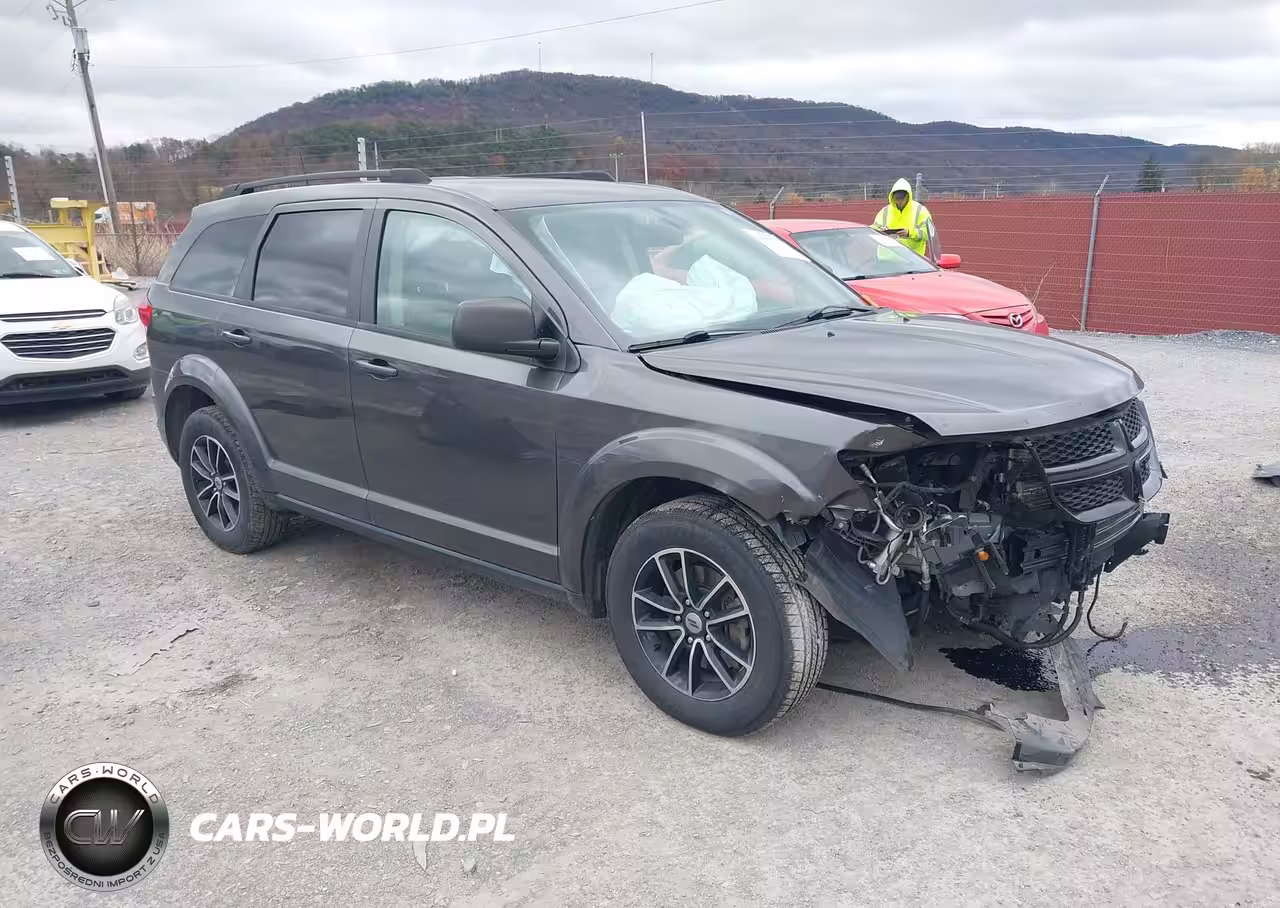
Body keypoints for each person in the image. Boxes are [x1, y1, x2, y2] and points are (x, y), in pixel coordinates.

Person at [872, 177, 938, 259]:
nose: (898, 201)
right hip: (887, 260)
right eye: (896, 198)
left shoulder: (920, 211)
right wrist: (881, 231)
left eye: (901, 199)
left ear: (907, 196)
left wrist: (909, 233)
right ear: (892, 197)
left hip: (913, 260)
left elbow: (927, 233)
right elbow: (873, 229)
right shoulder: (885, 211)